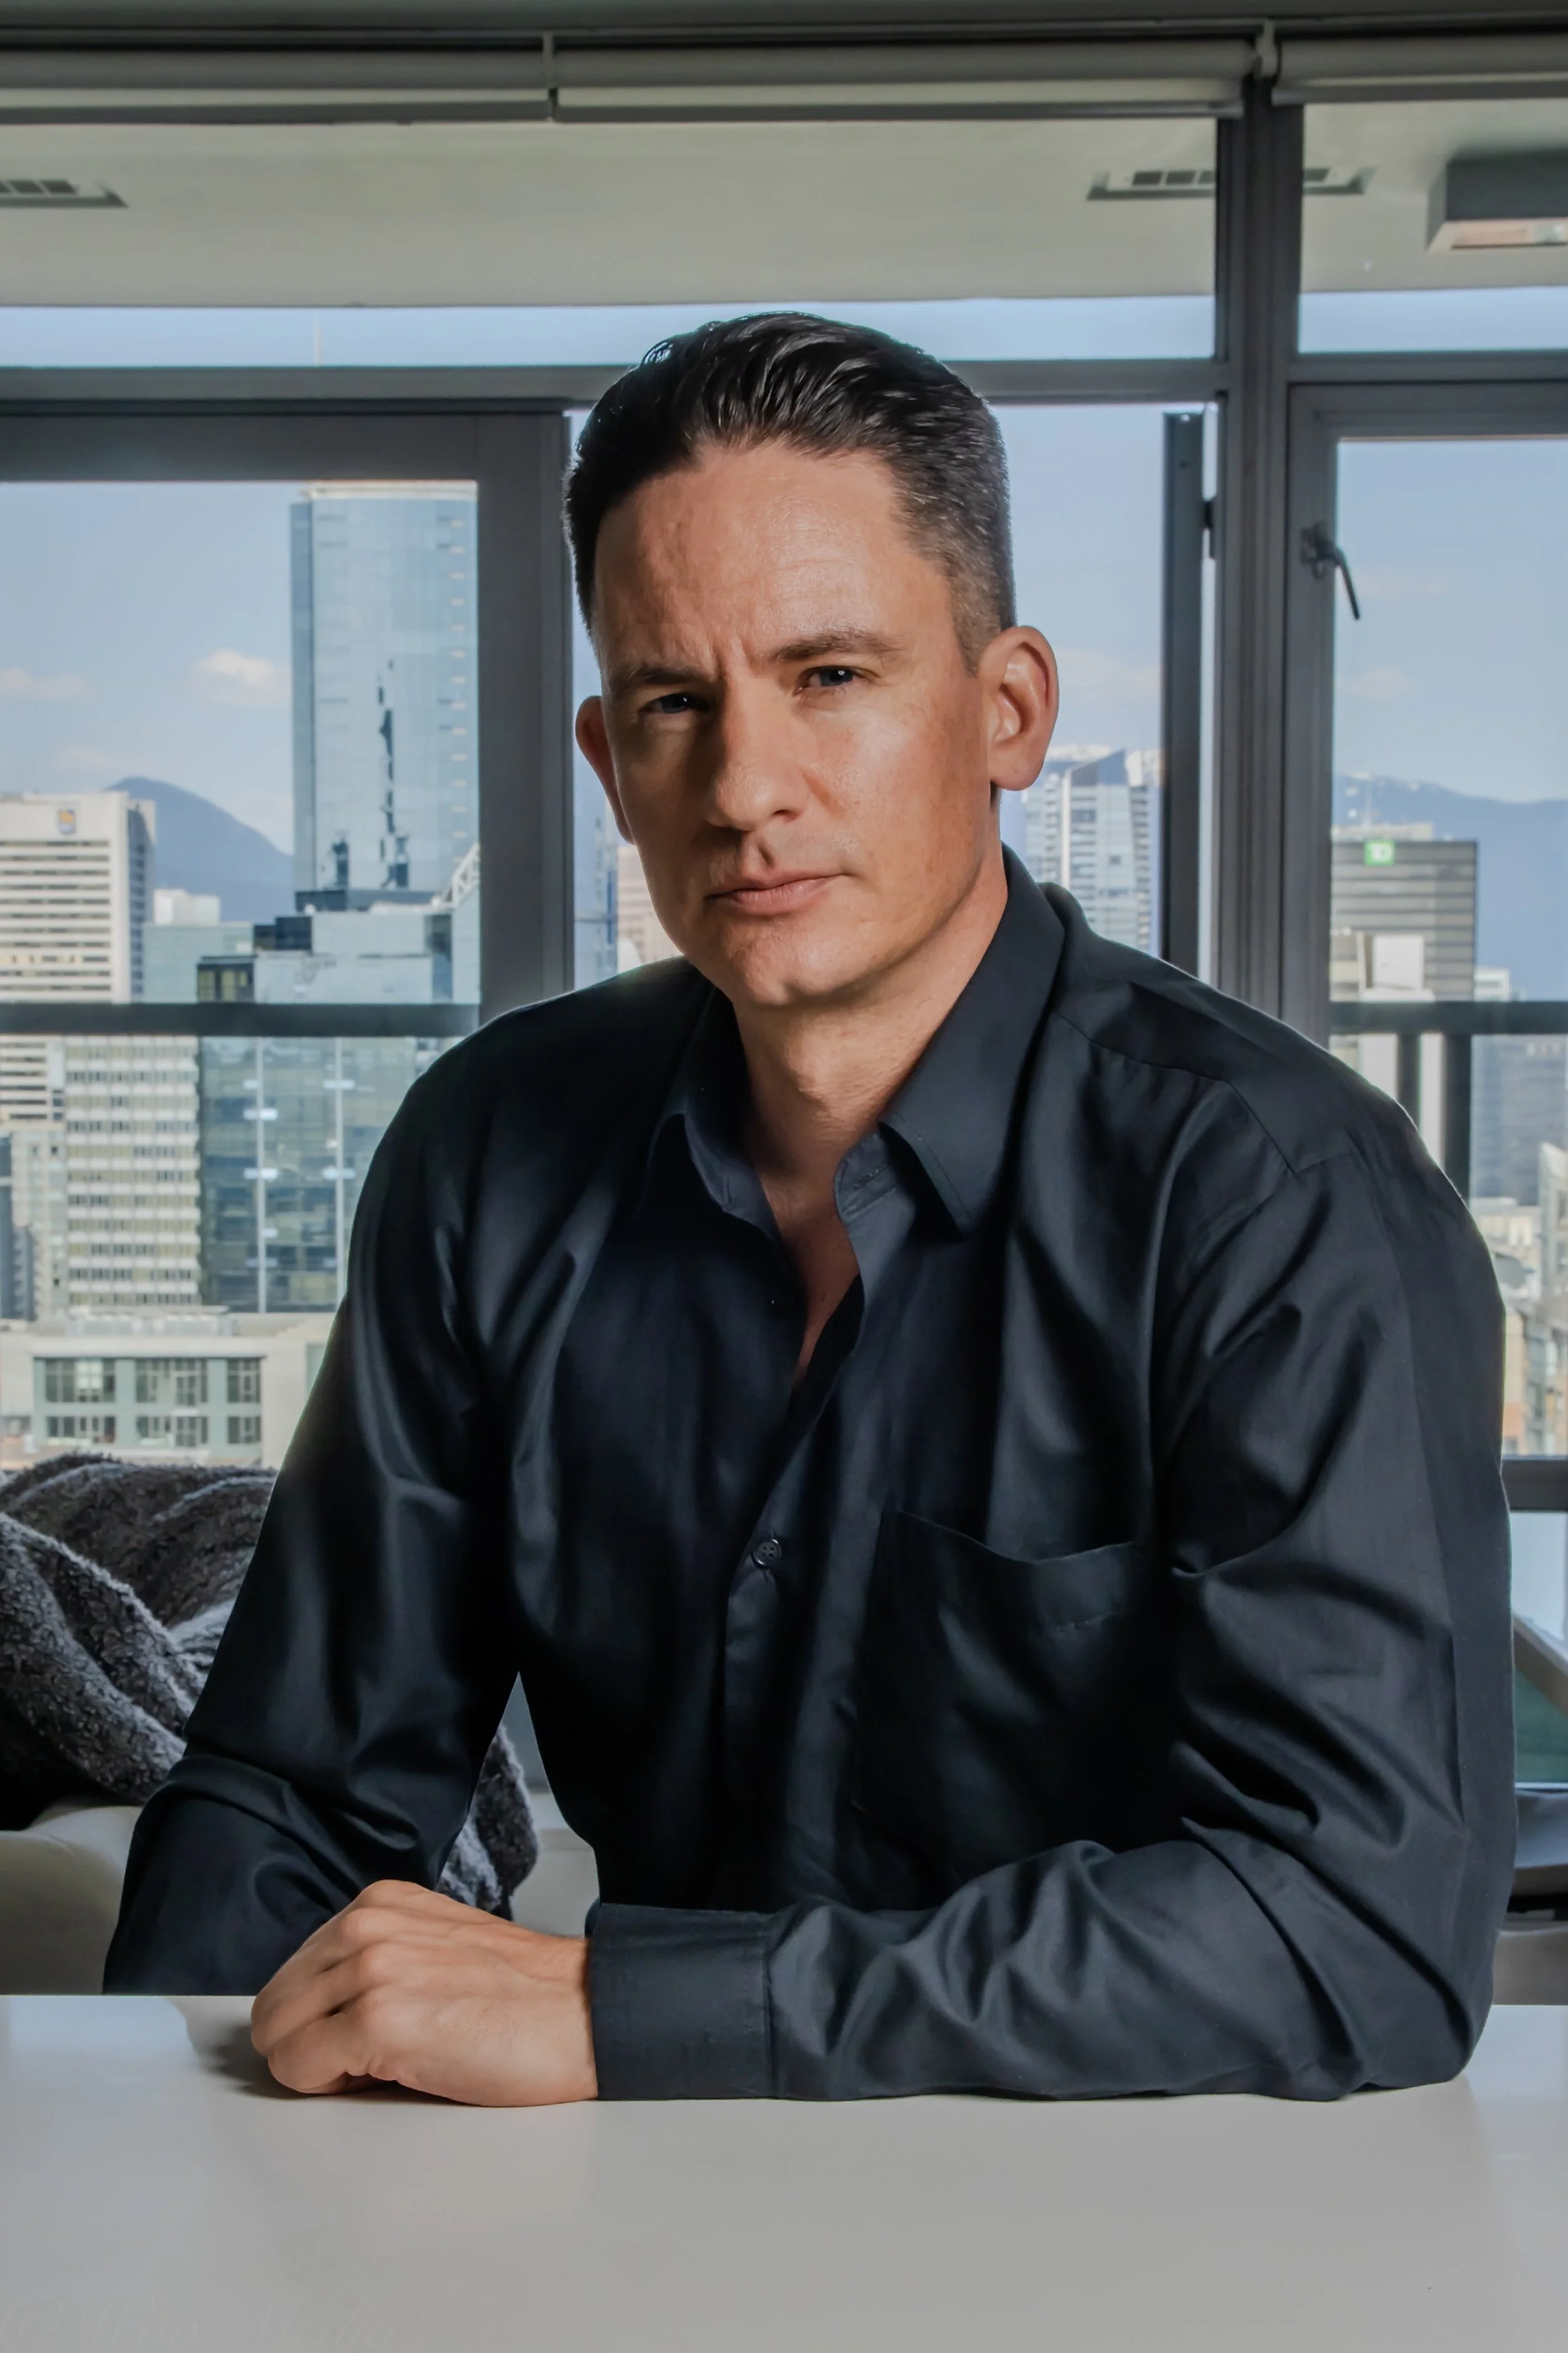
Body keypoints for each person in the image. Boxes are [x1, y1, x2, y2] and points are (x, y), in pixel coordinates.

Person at [106, 313, 1513, 2106]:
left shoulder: (1277, 1200)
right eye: (677, 704)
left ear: (1005, 711)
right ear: (609, 761)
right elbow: (297, 1791)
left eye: (830, 675)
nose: (746, 787)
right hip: (644, 2203)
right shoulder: (490, 1151)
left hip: (1155, 2219)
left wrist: (628, 2010)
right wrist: (146, 2156)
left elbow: (1352, 1928)